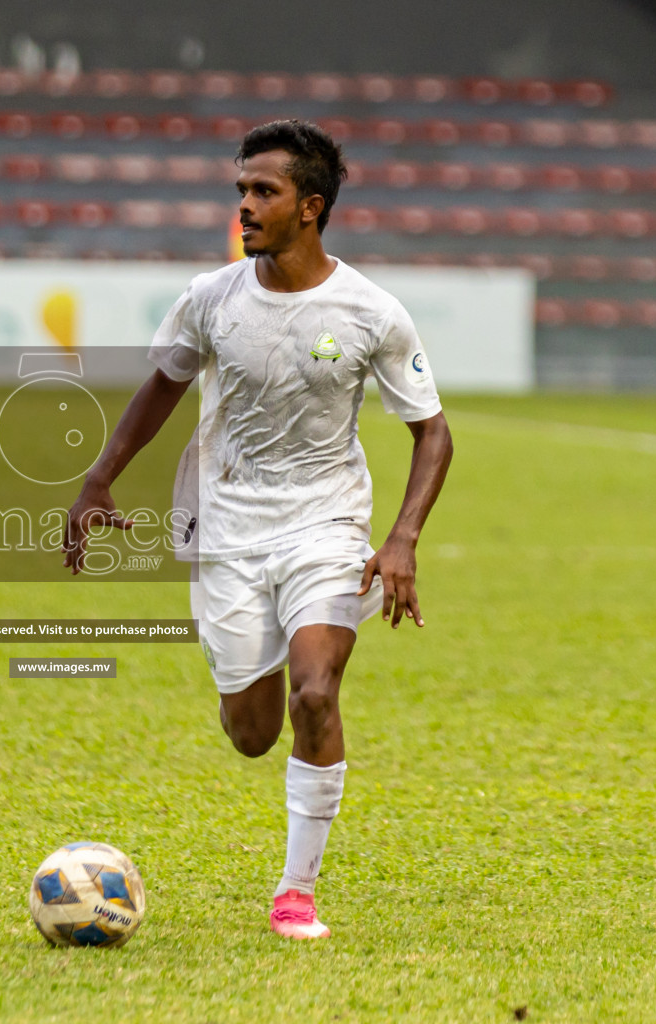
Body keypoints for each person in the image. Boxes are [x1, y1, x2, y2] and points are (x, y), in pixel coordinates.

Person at [64, 120, 453, 939]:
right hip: (229, 524)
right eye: (241, 189)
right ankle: (247, 678)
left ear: (308, 208)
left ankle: (295, 891)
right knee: (252, 733)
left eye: (262, 192)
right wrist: (99, 477)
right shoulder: (210, 297)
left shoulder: (370, 311)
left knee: (317, 688)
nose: (243, 205)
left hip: (326, 523)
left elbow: (432, 431)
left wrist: (403, 538)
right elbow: (161, 388)